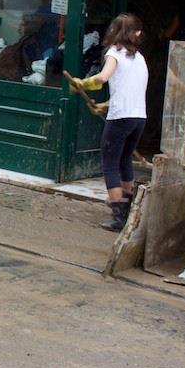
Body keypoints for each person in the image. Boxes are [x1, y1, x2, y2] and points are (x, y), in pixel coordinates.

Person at [69, 13, 148, 231]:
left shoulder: (115, 53)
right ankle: (129, 211)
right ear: (138, 33)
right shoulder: (139, 58)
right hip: (138, 117)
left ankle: (118, 217)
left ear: (113, 32)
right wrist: (105, 106)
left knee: (110, 164)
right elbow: (130, 90)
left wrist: (82, 83)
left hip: (121, 117)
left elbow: (103, 77)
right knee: (124, 162)